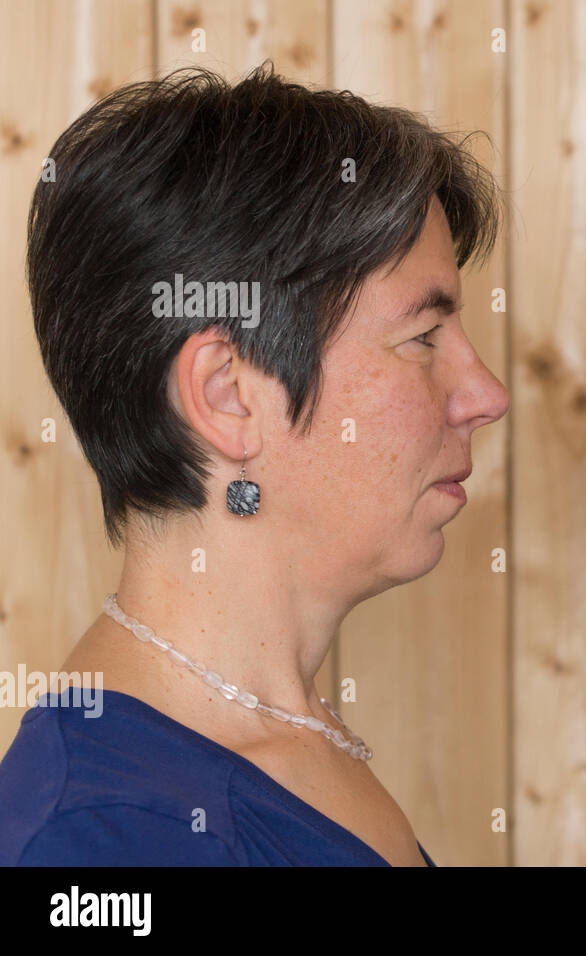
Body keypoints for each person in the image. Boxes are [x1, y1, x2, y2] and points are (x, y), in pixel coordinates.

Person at [0, 64, 508, 865]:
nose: (485, 393)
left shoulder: (286, 740)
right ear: (228, 394)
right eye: (422, 339)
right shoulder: (105, 837)